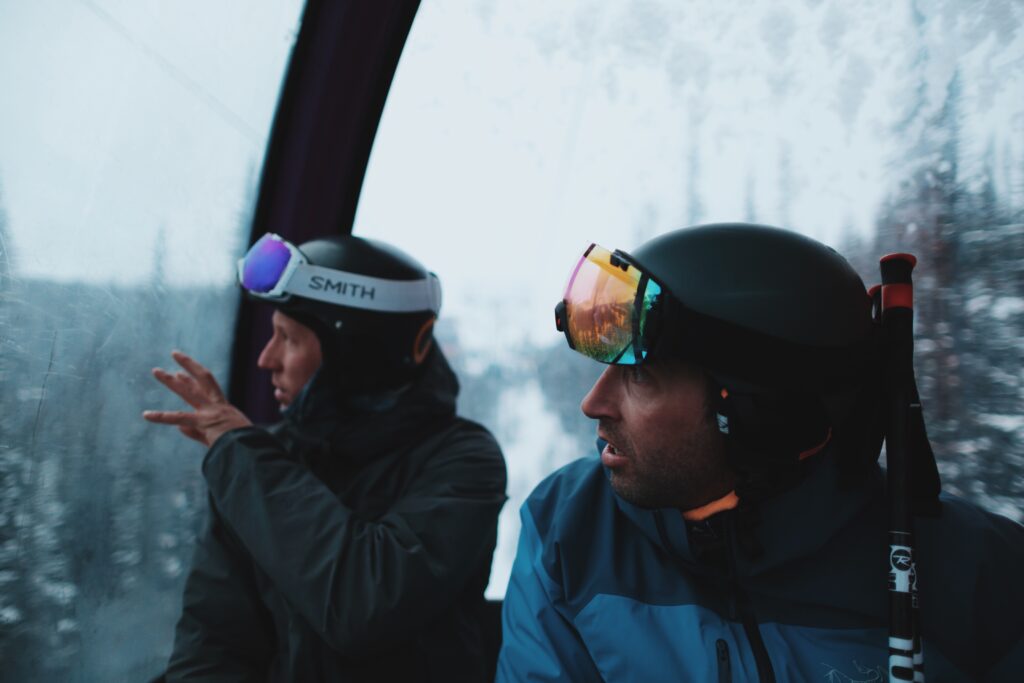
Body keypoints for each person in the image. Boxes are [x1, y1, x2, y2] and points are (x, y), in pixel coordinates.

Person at [496, 223, 1024, 682]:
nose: (593, 404)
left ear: (760, 415)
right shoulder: (569, 532)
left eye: (642, 376)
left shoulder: (980, 576)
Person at [144, 233, 507, 682]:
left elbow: (366, 604)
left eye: (288, 339)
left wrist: (240, 457)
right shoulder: (261, 461)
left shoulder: (465, 460)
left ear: (355, 357)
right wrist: (243, 458)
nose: (265, 359)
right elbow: (213, 645)